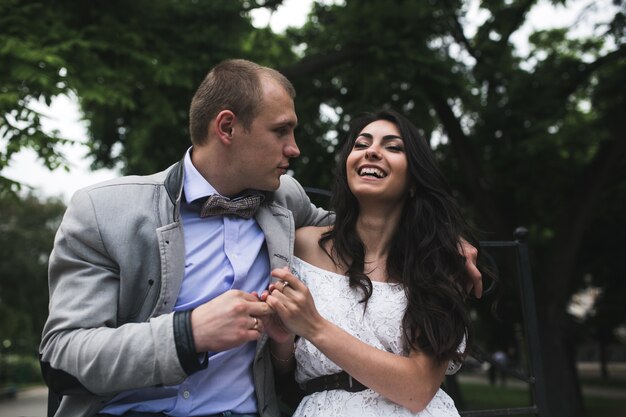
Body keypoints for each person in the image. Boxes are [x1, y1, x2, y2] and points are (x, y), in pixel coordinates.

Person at [39, 59, 481, 417]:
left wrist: (445, 241)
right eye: (281, 131)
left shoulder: (283, 200)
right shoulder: (105, 211)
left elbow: (362, 223)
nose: (295, 149)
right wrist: (188, 334)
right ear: (227, 128)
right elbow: (63, 355)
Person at [264, 109, 477, 416]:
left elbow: (418, 390)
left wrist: (314, 326)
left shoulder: (436, 265)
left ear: (414, 179)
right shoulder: (302, 245)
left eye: (393, 147)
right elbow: (284, 375)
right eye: (362, 145)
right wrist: (282, 341)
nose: (373, 152)